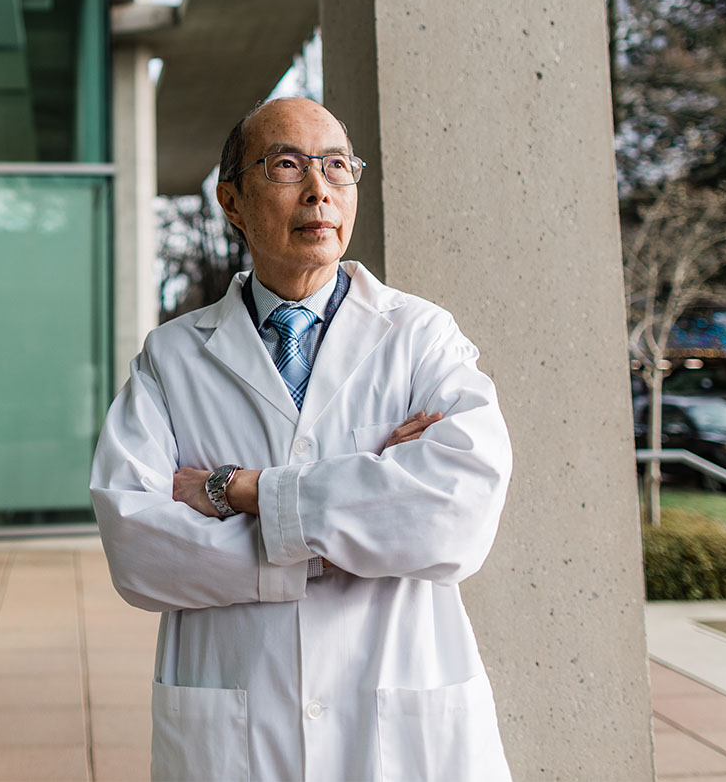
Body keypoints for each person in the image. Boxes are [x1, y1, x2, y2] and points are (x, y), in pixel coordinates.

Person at [89, 97, 513, 781]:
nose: (320, 189)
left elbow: (456, 515)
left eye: (337, 166)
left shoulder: (421, 338)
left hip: (400, 726)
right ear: (232, 201)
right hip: (237, 726)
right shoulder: (171, 358)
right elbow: (137, 548)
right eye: (287, 165)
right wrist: (352, 519)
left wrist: (242, 490)